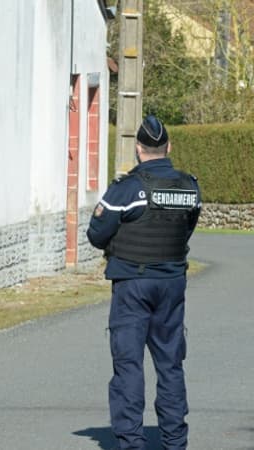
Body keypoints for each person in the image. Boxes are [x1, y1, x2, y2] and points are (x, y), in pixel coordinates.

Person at [87, 115, 201, 450]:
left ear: (138, 149)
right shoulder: (189, 187)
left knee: (128, 365)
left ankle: (131, 442)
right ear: (169, 147)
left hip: (132, 285)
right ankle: (174, 442)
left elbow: (97, 234)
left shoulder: (127, 189)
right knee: (170, 365)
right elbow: (187, 227)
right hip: (172, 285)